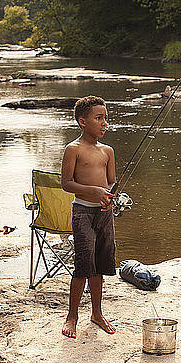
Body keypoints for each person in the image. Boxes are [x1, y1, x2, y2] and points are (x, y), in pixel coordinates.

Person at [61, 95, 117, 338]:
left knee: (100, 266)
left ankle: (97, 313)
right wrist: (93, 192)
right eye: (99, 118)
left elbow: (112, 181)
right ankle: (72, 316)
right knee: (83, 265)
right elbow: (66, 183)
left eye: (106, 118)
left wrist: (109, 197)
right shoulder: (73, 149)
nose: (104, 123)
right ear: (83, 122)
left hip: (105, 214)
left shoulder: (108, 151)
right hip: (83, 212)